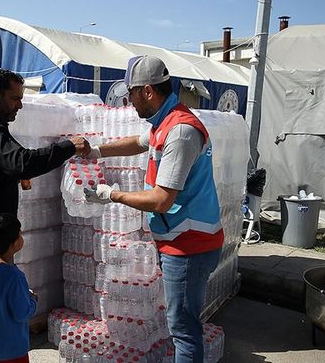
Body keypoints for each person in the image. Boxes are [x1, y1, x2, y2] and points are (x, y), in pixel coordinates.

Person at [84, 55, 224, 363]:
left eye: (131, 93)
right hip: (177, 240)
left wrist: (112, 195)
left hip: (189, 246)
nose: (129, 100)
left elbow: (162, 199)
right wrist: (96, 151)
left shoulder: (181, 131)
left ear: (147, 91)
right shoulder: (165, 121)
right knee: (181, 324)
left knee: (184, 330)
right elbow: (137, 141)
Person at [0, 67, 90, 262]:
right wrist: (68, 147)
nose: (20, 105)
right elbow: (22, 162)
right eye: (15, 98)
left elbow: (6, 162)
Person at [0, 214, 37, 363]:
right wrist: (33, 300)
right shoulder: (15, 277)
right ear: (14, 244)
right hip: (11, 351)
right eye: (20, 234)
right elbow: (21, 313)